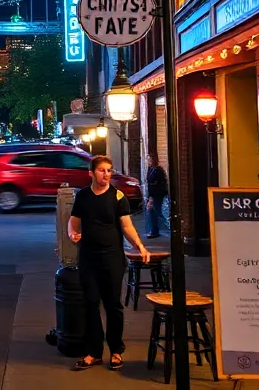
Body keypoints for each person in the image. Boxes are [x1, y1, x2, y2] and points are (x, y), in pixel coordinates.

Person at [68, 155, 150, 372]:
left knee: (113, 304)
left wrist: (139, 246)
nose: (107, 175)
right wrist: (72, 233)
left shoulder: (117, 196)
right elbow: (73, 221)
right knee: (90, 303)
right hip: (88, 257)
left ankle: (116, 350)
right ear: (92, 173)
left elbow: (127, 226)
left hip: (112, 257)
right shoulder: (83, 196)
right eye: (102, 170)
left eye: (109, 171)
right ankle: (94, 352)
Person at [145, 154, 168, 239]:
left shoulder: (158, 170)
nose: (148, 162)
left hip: (157, 195)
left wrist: (151, 197)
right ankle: (155, 230)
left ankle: (163, 228)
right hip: (154, 195)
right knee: (154, 212)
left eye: (150, 160)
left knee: (157, 212)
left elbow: (159, 184)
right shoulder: (152, 169)